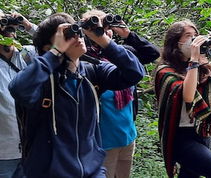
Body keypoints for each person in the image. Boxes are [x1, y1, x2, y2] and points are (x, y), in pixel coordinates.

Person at [8, 13, 145, 178]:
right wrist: (55, 52)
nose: (76, 37)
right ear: (48, 47)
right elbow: (18, 89)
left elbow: (135, 73)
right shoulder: (41, 81)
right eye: (67, 36)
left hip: (92, 171)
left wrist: (103, 40)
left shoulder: (92, 71)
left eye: (76, 31)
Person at [82, 9, 160, 178]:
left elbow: (152, 53)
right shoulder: (84, 60)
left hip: (127, 135)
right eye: (99, 27)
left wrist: (128, 34)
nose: (105, 30)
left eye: (107, 26)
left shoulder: (123, 54)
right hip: (102, 141)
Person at [154, 20, 211, 178]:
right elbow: (188, 96)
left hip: (202, 131)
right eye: (188, 36)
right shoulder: (165, 72)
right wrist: (194, 62)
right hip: (180, 137)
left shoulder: (203, 69)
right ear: (176, 43)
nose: (193, 40)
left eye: (196, 36)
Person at [0, 12, 36, 178]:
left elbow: (58, 45)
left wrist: (27, 25)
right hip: (3, 154)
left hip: (34, 149)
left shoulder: (28, 55)